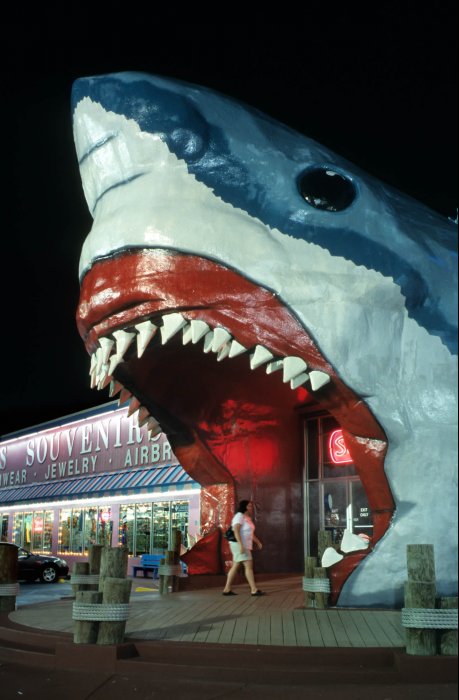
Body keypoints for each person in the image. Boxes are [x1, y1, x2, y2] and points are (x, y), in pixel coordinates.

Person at [222, 499, 265, 596]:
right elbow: (236, 530)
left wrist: (257, 541)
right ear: (244, 507)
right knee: (248, 567)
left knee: (236, 566)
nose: (251, 508)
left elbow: (249, 533)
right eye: (249, 506)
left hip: (244, 545)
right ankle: (254, 589)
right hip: (240, 545)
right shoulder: (239, 516)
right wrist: (241, 545)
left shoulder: (247, 518)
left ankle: (227, 589)